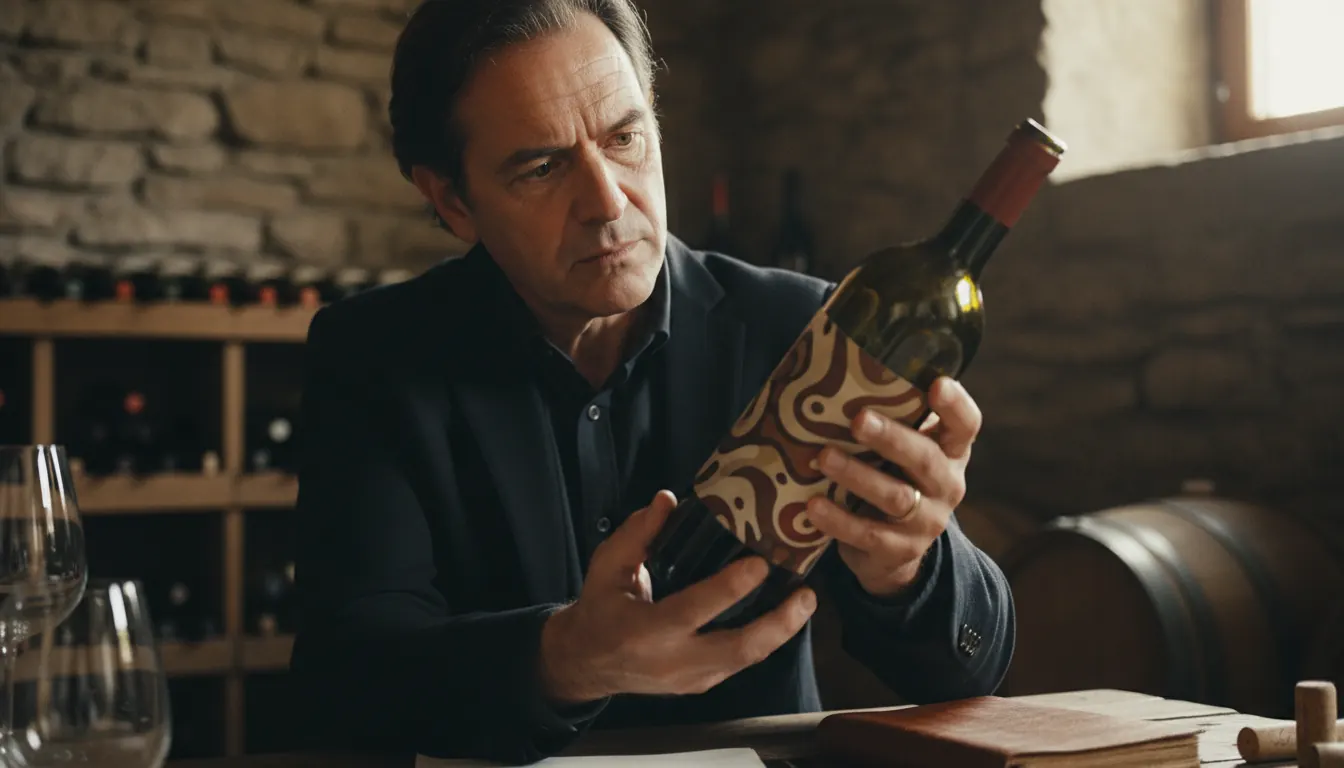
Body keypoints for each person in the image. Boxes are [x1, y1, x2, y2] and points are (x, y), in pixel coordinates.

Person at [288, 0, 1015, 763]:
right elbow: (345, 685)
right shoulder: (375, 355)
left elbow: (967, 673)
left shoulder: (800, 328)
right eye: (540, 166)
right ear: (451, 200)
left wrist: (909, 566)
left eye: (625, 137)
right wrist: (563, 659)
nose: (608, 202)